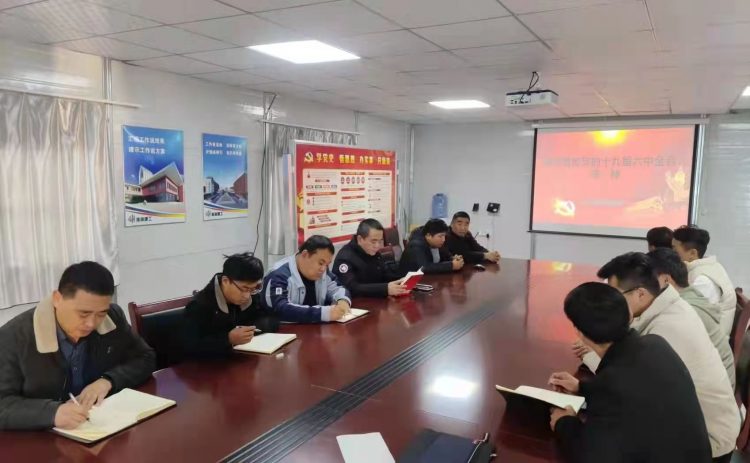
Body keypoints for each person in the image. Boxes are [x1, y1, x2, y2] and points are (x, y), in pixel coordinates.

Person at [595, 252, 739, 461]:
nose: (611, 304)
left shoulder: (665, 329)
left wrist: (593, 352)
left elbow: (631, 388)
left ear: (640, 294)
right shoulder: (668, 306)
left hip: (707, 443)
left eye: (616, 297)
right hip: (702, 425)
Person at [549, 282, 711, 463]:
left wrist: (564, 422)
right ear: (629, 315)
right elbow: (632, 389)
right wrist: (582, 387)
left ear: (579, 332)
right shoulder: (656, 344)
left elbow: (594, 455)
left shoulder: (613, 382)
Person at [0, 262, 155, 431]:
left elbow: (145, 358)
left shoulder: (112, 317)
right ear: (57, 299)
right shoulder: (13, 337)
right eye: (83, 313)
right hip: (40, 437)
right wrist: (52, 413)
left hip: (100, 428)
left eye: (101, 313)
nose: (91, 324)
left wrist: (108, 380)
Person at [647, 248, 735, 388]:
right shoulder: (689, 294)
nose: (645, 288)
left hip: (713, 391)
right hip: (714, 383)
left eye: (647, 282)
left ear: (665, 280)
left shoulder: (683, 310)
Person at [183, 253, 280, 358]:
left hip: (245, 358)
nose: (247, 296)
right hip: (212, 364)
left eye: (253, 289)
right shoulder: (199, 305)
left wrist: (258, 327)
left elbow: (270, 318)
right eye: (244, 289)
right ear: (225, 281)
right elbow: (191, 348)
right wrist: (228, 339)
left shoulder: (252, 295)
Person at [262, 235, 351, 323]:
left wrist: (343, 300)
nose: (323, 269)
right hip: (285, 330)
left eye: (327, 265)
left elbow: (338, 288)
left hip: (316, 329)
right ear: (305, 254)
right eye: (320, 263)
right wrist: (323, 313)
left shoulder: (323, 271)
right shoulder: (279, 275)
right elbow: (281, 309)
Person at [672, 226, 736, 334]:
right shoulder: (708, 266)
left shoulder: (703, 280)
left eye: (674, 251)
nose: (671, 255)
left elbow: (688, 315)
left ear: (692, 253)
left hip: (710, 340)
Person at [332, 219, 409, 298]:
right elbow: (351, 288)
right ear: (360, 239)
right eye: (373, 242)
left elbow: (384, 275)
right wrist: (385, 289)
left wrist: (402, 280)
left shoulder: (372, 252)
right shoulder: (345, 258)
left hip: (375, 300)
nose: (377, 246)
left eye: (380, 241)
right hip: (354, 302)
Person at [400, 219, 464, 274]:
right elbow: (424, 267)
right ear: (428, 236)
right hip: (405, 281)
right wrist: (451, 265)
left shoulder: (436, 242)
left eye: (444, 236)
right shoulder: (416, 245)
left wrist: (453, 258)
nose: (443, 239)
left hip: (427, 279)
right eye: (440, 236)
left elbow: (445, 256)